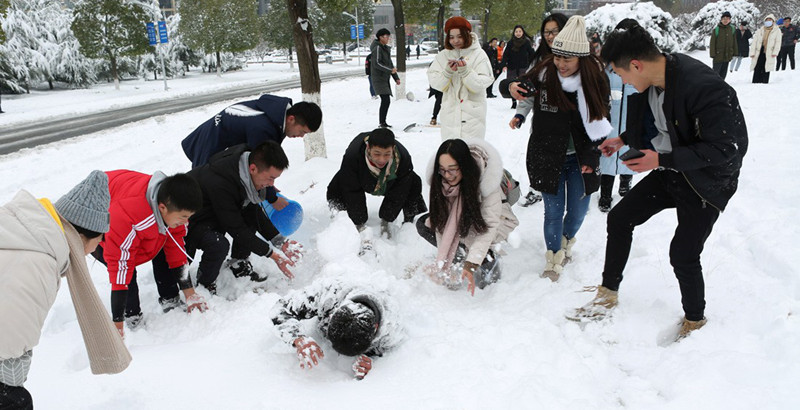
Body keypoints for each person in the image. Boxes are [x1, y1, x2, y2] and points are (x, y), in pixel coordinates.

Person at [569, 23, 748, 341]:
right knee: (620, 218)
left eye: (620, 73)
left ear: (635, 65)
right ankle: (608, 293)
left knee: (682, 252)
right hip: (672, 170)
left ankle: (695, 320)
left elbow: (727, 148)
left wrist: (661, 160)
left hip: (707, 182)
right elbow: (647, 126)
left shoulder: (705, 87)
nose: (621, 81)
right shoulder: (647, 84)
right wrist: (622, 140)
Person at [0, 171, 131, 409]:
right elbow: (9, 344)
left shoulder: (21, 231)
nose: (97, 248)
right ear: (84, 235)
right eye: (99, 240)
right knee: (15, 400)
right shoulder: (38, 262)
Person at [501, 15, 609, 282]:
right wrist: (511, 86)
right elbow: (518, 85)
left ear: (580, 58)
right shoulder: (545, 71)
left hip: (581, 157)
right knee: (552, 211)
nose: (560, 64)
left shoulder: (595, 79)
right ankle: (553, 257)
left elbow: (603, 120)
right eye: (557, 57)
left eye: (566, 59)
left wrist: (593, 154)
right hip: (547, 154)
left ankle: (566, 241)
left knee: (577, 212)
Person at [91, 171, 206, 338]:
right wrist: (117, 324)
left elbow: (175, 249)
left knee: (162, 244)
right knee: (126, 270)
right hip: (98, 222)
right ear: (162, 208)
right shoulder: (127, 216)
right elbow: (120, 268)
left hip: (124, 200)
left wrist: (190, 294)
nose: (186, 222)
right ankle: (131, 317)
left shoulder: (171, 205)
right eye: (183, 217)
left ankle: (169, 297)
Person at [186, 142, 300, 292]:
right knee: (219, 245)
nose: (271, 185)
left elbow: (253, 212)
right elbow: (235, 227)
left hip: (216, 214)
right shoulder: (222, 182)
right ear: (253, 169)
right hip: (191, 221)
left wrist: (280, 241)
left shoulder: (244, 172)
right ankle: (204, 283)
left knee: (249, 215)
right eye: (270, 178)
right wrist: (272, 254)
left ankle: (238, 262)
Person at [416, 139, 519, 296]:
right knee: (424, 223)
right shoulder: (441, 182)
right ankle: (459, 253)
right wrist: (445, 262)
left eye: (452, 170)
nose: (447, 176)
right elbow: (441, 223)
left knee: (486, 281)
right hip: (464, 222)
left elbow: (490, 225)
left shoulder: (486, 181)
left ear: (464, 166)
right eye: (442, 170)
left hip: (495, 221)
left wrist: (471, 263)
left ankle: (486, 257)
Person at [270, 278, 402, 380]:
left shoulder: (390, 332)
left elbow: (386, 354)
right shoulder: (328, 292)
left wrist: (370, 360)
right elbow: (281, 310)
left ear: (376, 328)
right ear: (332, 314)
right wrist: (297, 338)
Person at [509, 13, 568, 208]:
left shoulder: (578, 59)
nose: (550, 36)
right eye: (546, 32)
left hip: (569, 128)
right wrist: (520, 114)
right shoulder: (539, 59)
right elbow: (528, 92)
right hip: (543, 125)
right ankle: (537, 190)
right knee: (539, 164)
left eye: (554, 31)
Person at [326, 128, 427, 243]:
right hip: (362, 178)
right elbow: (352, 190)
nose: (382, 159)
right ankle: (341, 219)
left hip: (389, 183)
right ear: (368, 148)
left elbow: (399, 192)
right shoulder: (353, 155)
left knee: (414, 181)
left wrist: (387, 219)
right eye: (377, 154)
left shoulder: (403, 157)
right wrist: (359, 222)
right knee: (339, 182)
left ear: (393, 149)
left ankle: (411, 224)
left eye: (387, 154)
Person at [181, 94, 322, 168]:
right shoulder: (263, 128)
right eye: (303, 131)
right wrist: (271, 196)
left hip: (213, 136)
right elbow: (257, 166)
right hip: (212, 144)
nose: (301, 136)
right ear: (291, 119)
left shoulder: (276, 115)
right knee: (202, 192)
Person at [427, 16, 494, 141]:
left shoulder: (479, 55)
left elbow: (481, 83)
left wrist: (466, 72)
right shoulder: (443, 56)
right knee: (450, 156)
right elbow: (435, 83)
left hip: (473, 118)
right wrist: (447, 72)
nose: (455, 41)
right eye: (451, 37)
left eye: (459, 36)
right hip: (450, 117)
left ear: (467, 35)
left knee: (472, 155)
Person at [598, 18, 639, 213]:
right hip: (610, 117)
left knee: (629, 149)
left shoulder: (640, 61)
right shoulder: (607, 63)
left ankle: (625, 184)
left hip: (632, 116)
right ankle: (605, 193)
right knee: (608, 153)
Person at [370, 28, 401, 128]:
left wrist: (395, 77)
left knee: (386, 100)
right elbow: (377, 63)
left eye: (388, 36)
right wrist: (390, 70)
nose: (388, 38)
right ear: (380, 37)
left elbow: (389, 63)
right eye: (386, 36)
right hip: (378, 78)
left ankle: (383, 122)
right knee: (385, 99)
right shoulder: (377, 48)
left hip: (384, 78)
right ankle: (382, 122)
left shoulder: (384, 48)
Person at [501, 25, 535, 109]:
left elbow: (531, 54)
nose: (518, 33)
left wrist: (534, 62)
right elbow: (505, 55)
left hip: (523, 67)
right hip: (512, 67)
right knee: (512, 84)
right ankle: (513, 102)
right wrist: (504, 65)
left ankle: (522, 100)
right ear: (514, 33)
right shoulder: (510, 43)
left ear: (522, 32)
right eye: (516, 31)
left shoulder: (526, 42)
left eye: (520, 31)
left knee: (522, 84)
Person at [750, 14, 783, 84]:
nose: (768, 21)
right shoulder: (760, 30)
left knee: (767, 65)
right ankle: (756, 80)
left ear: (773, 21)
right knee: (758, 65)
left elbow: (778, 42)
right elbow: (754, 42)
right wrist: (752, 52)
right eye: (767, 20)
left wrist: (775, 52)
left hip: (769, 51)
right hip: (760, 50)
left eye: (770, 20)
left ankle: (764, 81)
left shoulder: (777, 30)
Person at [709, 11, 737, 80]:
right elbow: (712, 43)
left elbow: (734, 42)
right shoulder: (716, 29)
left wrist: (735, 52)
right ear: (721, 19)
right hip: (718, 55)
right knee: (715, 73)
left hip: (727, 55)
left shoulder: (732, 29)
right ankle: (714, 86)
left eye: (727, 18)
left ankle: (721, 87)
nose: (725, 20)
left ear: (729, 20)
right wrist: (712, 54)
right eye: (724, 18)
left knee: (723, 73)